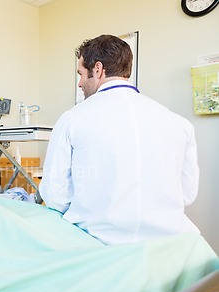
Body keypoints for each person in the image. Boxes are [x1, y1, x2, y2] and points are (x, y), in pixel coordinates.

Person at [39, 34, 200, 245]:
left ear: (97, 69)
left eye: (80, 74)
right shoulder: (179, 123)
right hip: (170, 246)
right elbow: (187, 194)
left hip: (98, 245)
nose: (79, 83)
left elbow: (55, 196)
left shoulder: (73, 119)